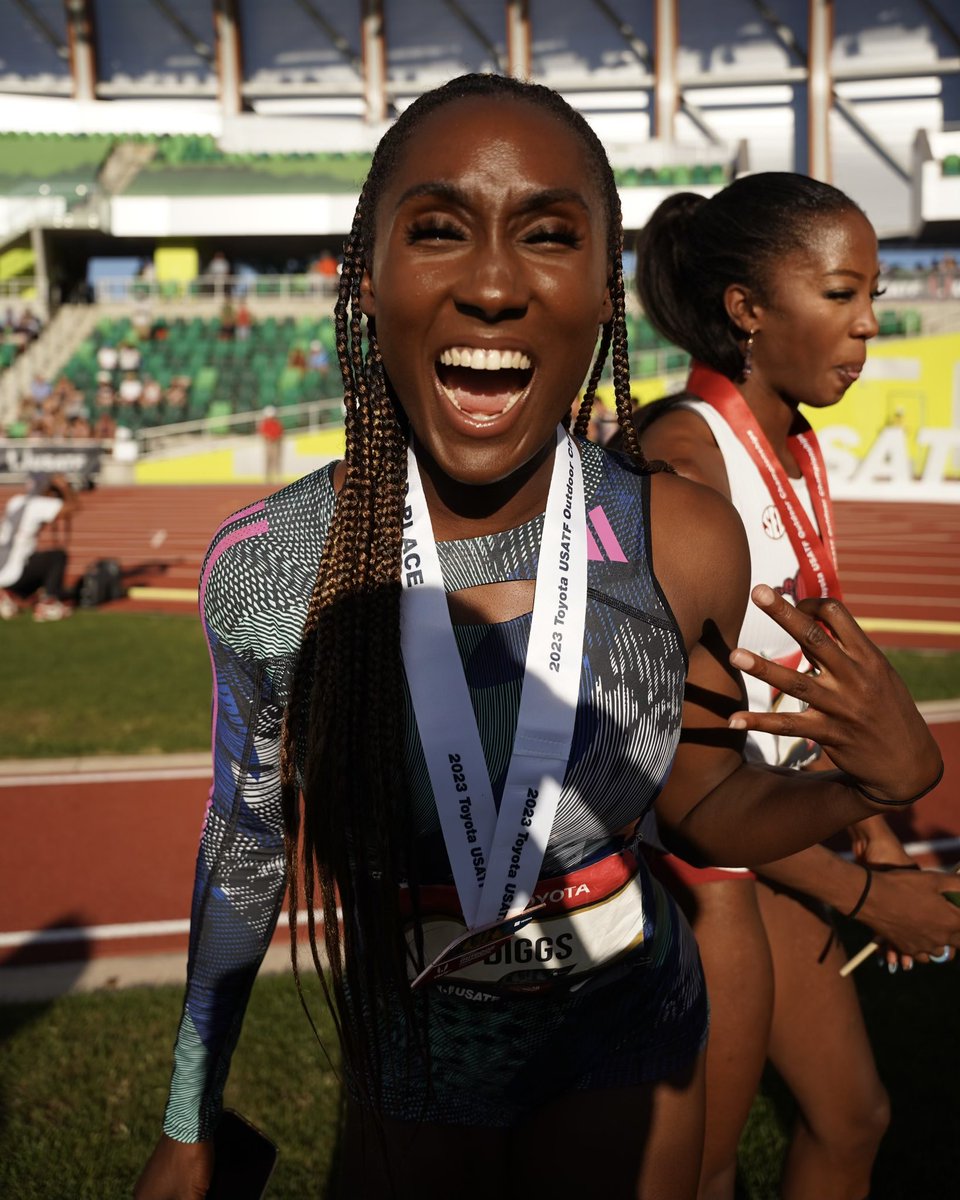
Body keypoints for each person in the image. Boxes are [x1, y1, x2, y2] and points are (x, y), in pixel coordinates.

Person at [135, 77, 941, 1200]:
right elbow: (246, 850)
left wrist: (865, 788)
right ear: (364, 277)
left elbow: (703, 804)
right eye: (437, 230)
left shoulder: (686, 539)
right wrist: (189, 1120)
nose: (497, 283)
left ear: (605, 296)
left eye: (550, 236)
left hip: (630, 1038)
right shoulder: (273, 565)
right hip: (415, 1058)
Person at [629, 175, 960, 1200]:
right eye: (842, 295)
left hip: (775, 828)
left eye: (874, 295)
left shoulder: (797, 440)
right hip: (702, 867)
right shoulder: (681, 457)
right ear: (747, 310)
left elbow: (809, 669)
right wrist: (869, 895)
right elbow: (683, 792)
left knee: (852, 1120)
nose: (870, 326)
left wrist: (878, 842)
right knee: (701, 1168)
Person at [0, 474, 76, 621]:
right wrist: (65, 488)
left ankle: (10, 596)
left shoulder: (15, 501)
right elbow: (72, 508)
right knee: (57, 556)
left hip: (3, 569)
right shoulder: (38, 504)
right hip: (16, 573)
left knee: (34, 561)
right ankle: (48, 603)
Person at [257, 404, 284, 482]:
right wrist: (269, 438)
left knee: (276, 461)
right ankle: (267, 478)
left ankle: (278, 477)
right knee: (268, 461)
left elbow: (280, 432)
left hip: (275, 443)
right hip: (268, 443)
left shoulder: (276, 422)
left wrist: (275, 439)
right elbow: (263, 433)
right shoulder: (265, 423)